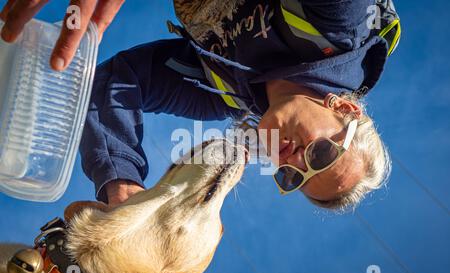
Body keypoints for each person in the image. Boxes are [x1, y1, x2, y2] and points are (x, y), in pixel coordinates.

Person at [0, 0, 400, 211]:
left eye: (294, 178)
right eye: (322, 153)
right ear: (347, 111)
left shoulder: (218, 92)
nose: (294, 161)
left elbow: (117, 85)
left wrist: (122, 189)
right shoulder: (339, 21)